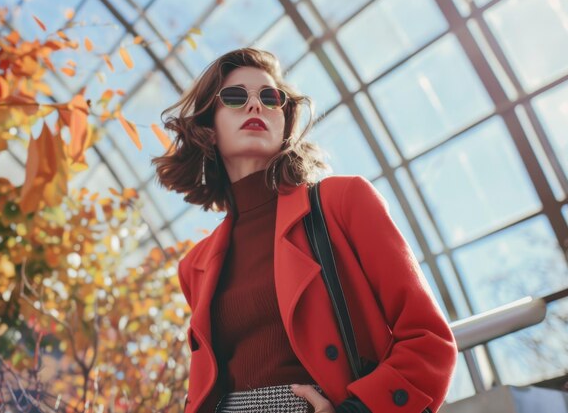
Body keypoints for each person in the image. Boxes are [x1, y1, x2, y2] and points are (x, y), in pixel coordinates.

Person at [152, 48, 457, 413]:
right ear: (209, 129)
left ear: (285, 123)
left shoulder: (343, 202)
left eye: (271, 97)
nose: (256, 106)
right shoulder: (195, 265)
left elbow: (428, 340)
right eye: (235, 97)